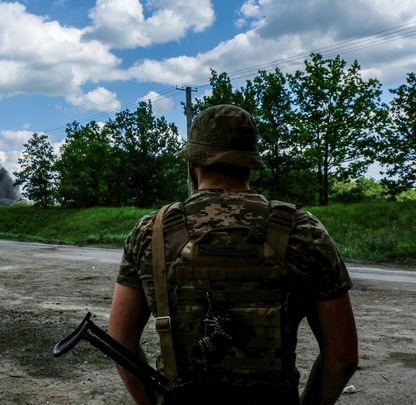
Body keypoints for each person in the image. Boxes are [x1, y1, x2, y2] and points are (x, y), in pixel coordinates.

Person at [108, 104, 358, 405]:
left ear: (193, 163)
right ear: (250, 164)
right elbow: (342, 357)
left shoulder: (150, 231)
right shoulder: (305, 231)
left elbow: (120, 340)